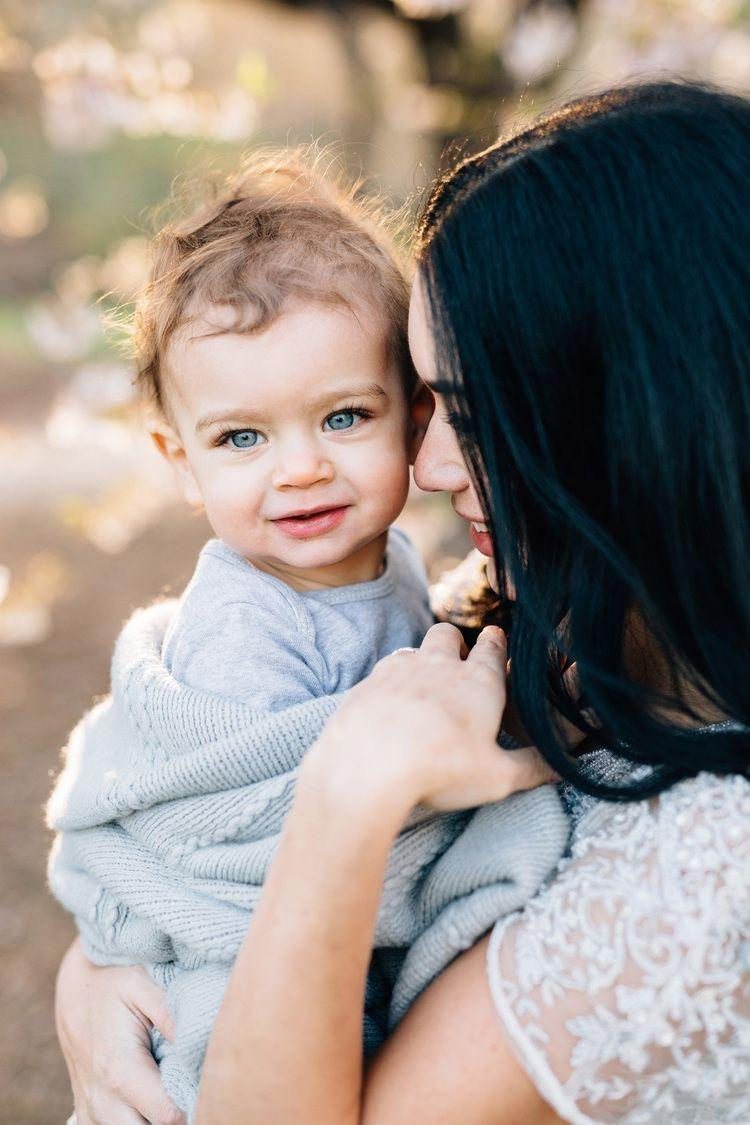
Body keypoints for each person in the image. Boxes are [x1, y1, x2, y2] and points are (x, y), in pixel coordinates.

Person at [55, 80, 750, 1125]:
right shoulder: (533, 613)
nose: (422, 469)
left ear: (630, 418)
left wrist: (349, 798)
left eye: (459, 413)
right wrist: (100, 970)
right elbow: (188, 819)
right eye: (420, 406)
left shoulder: (707, 874)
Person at [47, 152, 568, 1122]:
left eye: (342, 417)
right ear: (183, 463)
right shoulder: (246, 629)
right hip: (241, 950)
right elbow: (251, 827)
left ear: (414, 420)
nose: (300, 470)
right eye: (242, 438)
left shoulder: (406, 564)